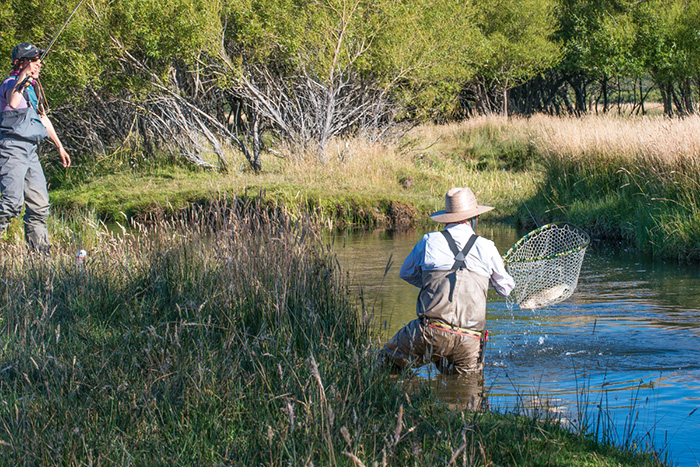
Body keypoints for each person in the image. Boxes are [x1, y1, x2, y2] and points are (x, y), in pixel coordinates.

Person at [382, 187, 515, 375]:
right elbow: (506, 289)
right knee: (466, 395)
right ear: (473, 218)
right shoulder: (487, 247)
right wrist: (498, 267)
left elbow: (406, 273)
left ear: (446, 218)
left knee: (385, 364)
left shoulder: (428, 240)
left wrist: (433, 285)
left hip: (429, 333)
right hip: (470, 341)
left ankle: (409, 397)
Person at [0, 42, 70, 251]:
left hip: (31, 152)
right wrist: (23, 76)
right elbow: (13, 102)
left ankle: (40, 258)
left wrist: (59, 146)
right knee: (11, 204)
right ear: (20, 63)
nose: (38, 65)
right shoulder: (10, 83)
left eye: (38, 61)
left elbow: (42, 117)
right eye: (33, 61)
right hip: (11, 149)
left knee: (40, 206)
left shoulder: (32, 90)